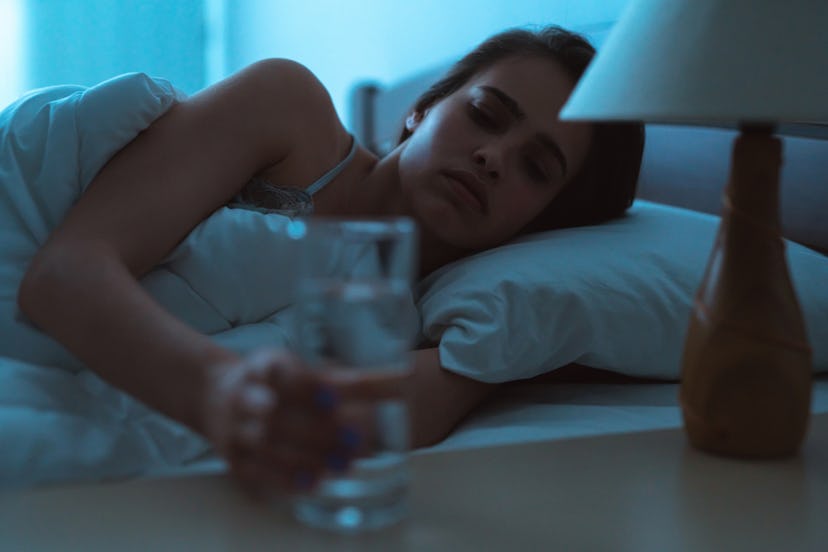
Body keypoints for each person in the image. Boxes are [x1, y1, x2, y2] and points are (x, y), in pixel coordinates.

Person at [15, 25, 644, 492]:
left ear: (543, 223)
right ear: (419, 110)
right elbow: (64, 273)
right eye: (483, 115)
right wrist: (218, 390)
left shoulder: (419, 315)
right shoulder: (289, 111)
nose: (493, 157)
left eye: (536, 168)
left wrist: (510, 354)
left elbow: (377, 411)